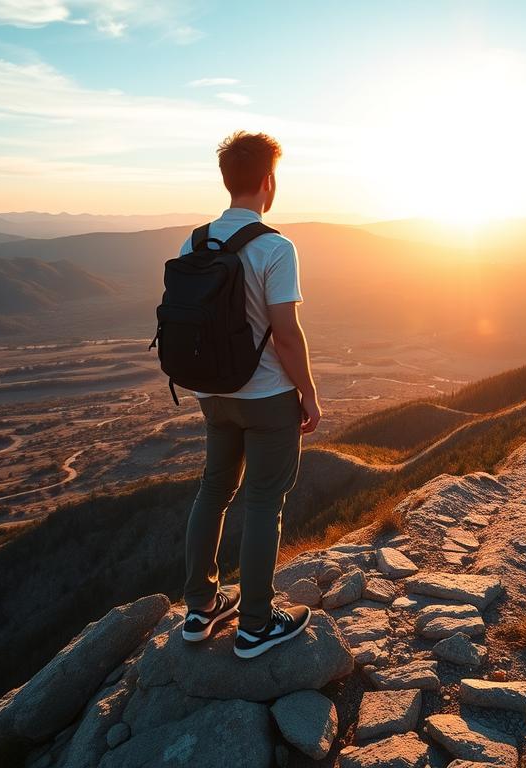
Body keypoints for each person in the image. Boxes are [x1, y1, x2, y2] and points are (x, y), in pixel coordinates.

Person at [178, 130, 322, 659]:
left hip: (212, 394)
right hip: (267, 398)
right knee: (264, 500)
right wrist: (307, 392)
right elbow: (286, 332)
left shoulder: (193, 243)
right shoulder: (275, 247)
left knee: (213, 491)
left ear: (226, 179)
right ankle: (256, 625)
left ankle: (199, 609)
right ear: (268, 181)